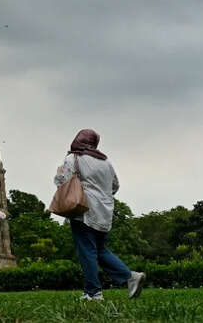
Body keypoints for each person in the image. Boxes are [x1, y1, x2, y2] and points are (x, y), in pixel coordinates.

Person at [54, 129, 146, 301]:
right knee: (100, 250)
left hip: (83, 210)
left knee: (87, 250)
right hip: (105, 212)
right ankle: (130, 277)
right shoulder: (106, 162)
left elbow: (61, 181)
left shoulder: (73, 158)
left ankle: (93, 292)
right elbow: (115, 186)